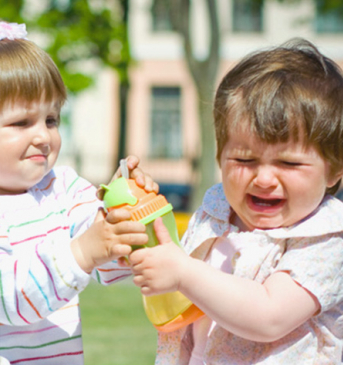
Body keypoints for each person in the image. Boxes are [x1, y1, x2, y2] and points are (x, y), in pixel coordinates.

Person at [0, 14, 156, 365]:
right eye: (21, 122)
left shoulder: (64, 188)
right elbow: (4, 298)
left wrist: (123, 216)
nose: (43, 136)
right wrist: (83, 251)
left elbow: (106, 265)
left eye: (51, 119)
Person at [129, 38, 343, 364]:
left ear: (333, 171)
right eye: (244, 160)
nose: (264, 178)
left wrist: (184, 272)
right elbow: (172, 284)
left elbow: (269, 316)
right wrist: (136, 225)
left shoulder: (327, 238)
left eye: (288, 163)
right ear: (220, 156)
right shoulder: (215, 214)